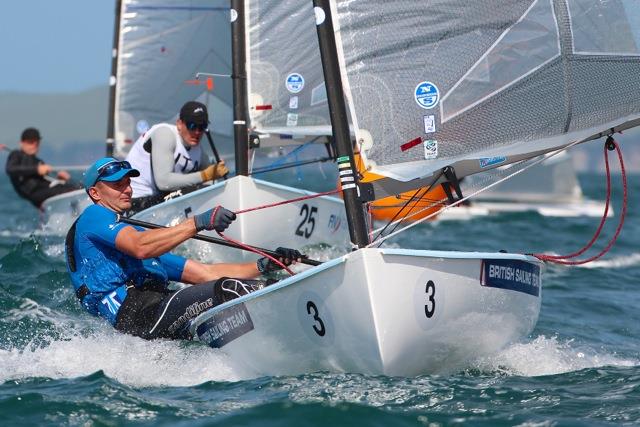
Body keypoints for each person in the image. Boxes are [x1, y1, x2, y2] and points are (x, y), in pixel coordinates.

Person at [65, 157, 303, 340]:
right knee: (227, 291)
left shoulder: (138, 240)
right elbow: (139, 247)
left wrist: (264, 265)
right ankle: (295, 313)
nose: (127, 189)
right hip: (136, 315)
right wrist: (198, 222)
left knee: (221, 299)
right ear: (95, 193)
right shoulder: (94, 216)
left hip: (157, 312)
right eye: (118, 184)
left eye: (128, 183)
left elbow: (205, 274)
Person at [125, 101, 229, 212]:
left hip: (159, 200)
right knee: (195, 192)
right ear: (179, 124)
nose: (197, 132)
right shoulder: (165, 134)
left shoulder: (197, 149)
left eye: (202, 127)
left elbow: (211, 176)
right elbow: (163, 182)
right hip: (135, 202)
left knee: (206, 191)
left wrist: (217, 172)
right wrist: (204, 175)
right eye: (192, 126)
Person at [4, 127, 81, 208]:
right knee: (68, 190)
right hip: (34, 193)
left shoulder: (38, 161)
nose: (34, 145)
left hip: (45, 189)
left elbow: (45, 181)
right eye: (30, 142)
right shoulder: (16, 155)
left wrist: (60, 179)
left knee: (78, 186)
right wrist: (37, 169)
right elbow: (10, 169)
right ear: (21, 143)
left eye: (36, 143)